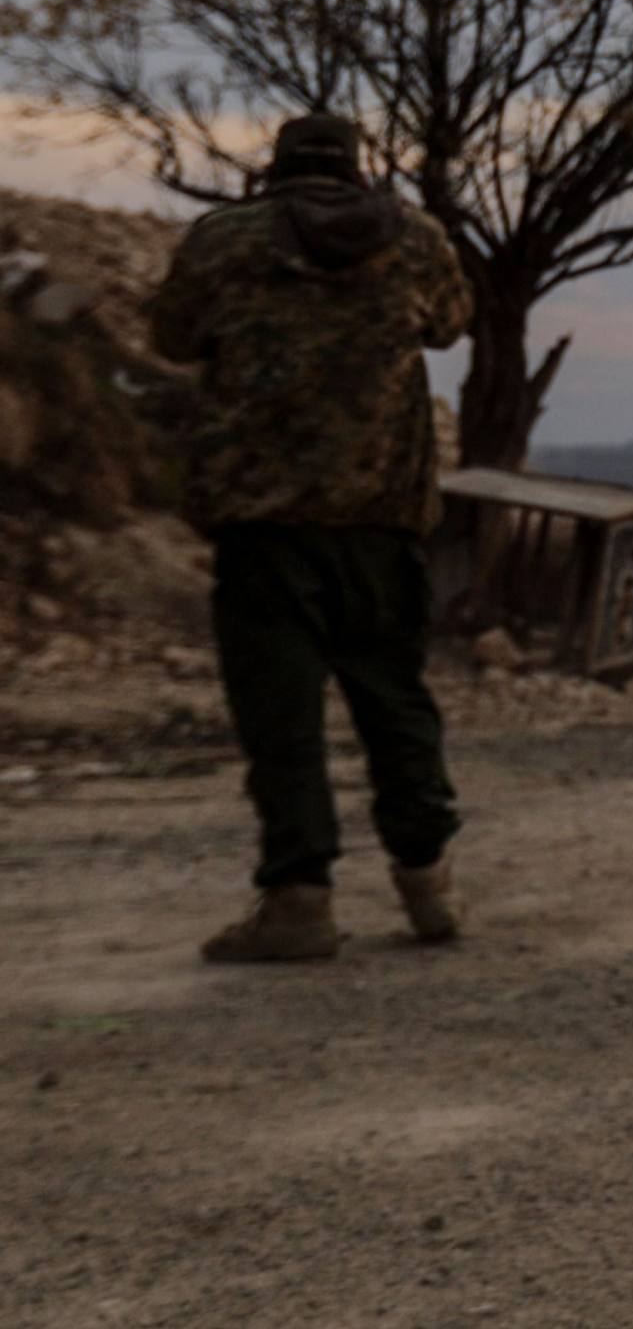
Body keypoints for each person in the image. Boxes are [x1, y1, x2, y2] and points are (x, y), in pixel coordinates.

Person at [146, 112, 477, 962]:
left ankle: (299, 898)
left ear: (274, 171)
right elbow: (450, 322)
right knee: (394, 696)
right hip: (380, 515)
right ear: (356, 171)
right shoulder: (415, 238)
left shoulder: (223, 241)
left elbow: (173, 336)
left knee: (282, 717)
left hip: (264, 522)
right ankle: (428, 881)